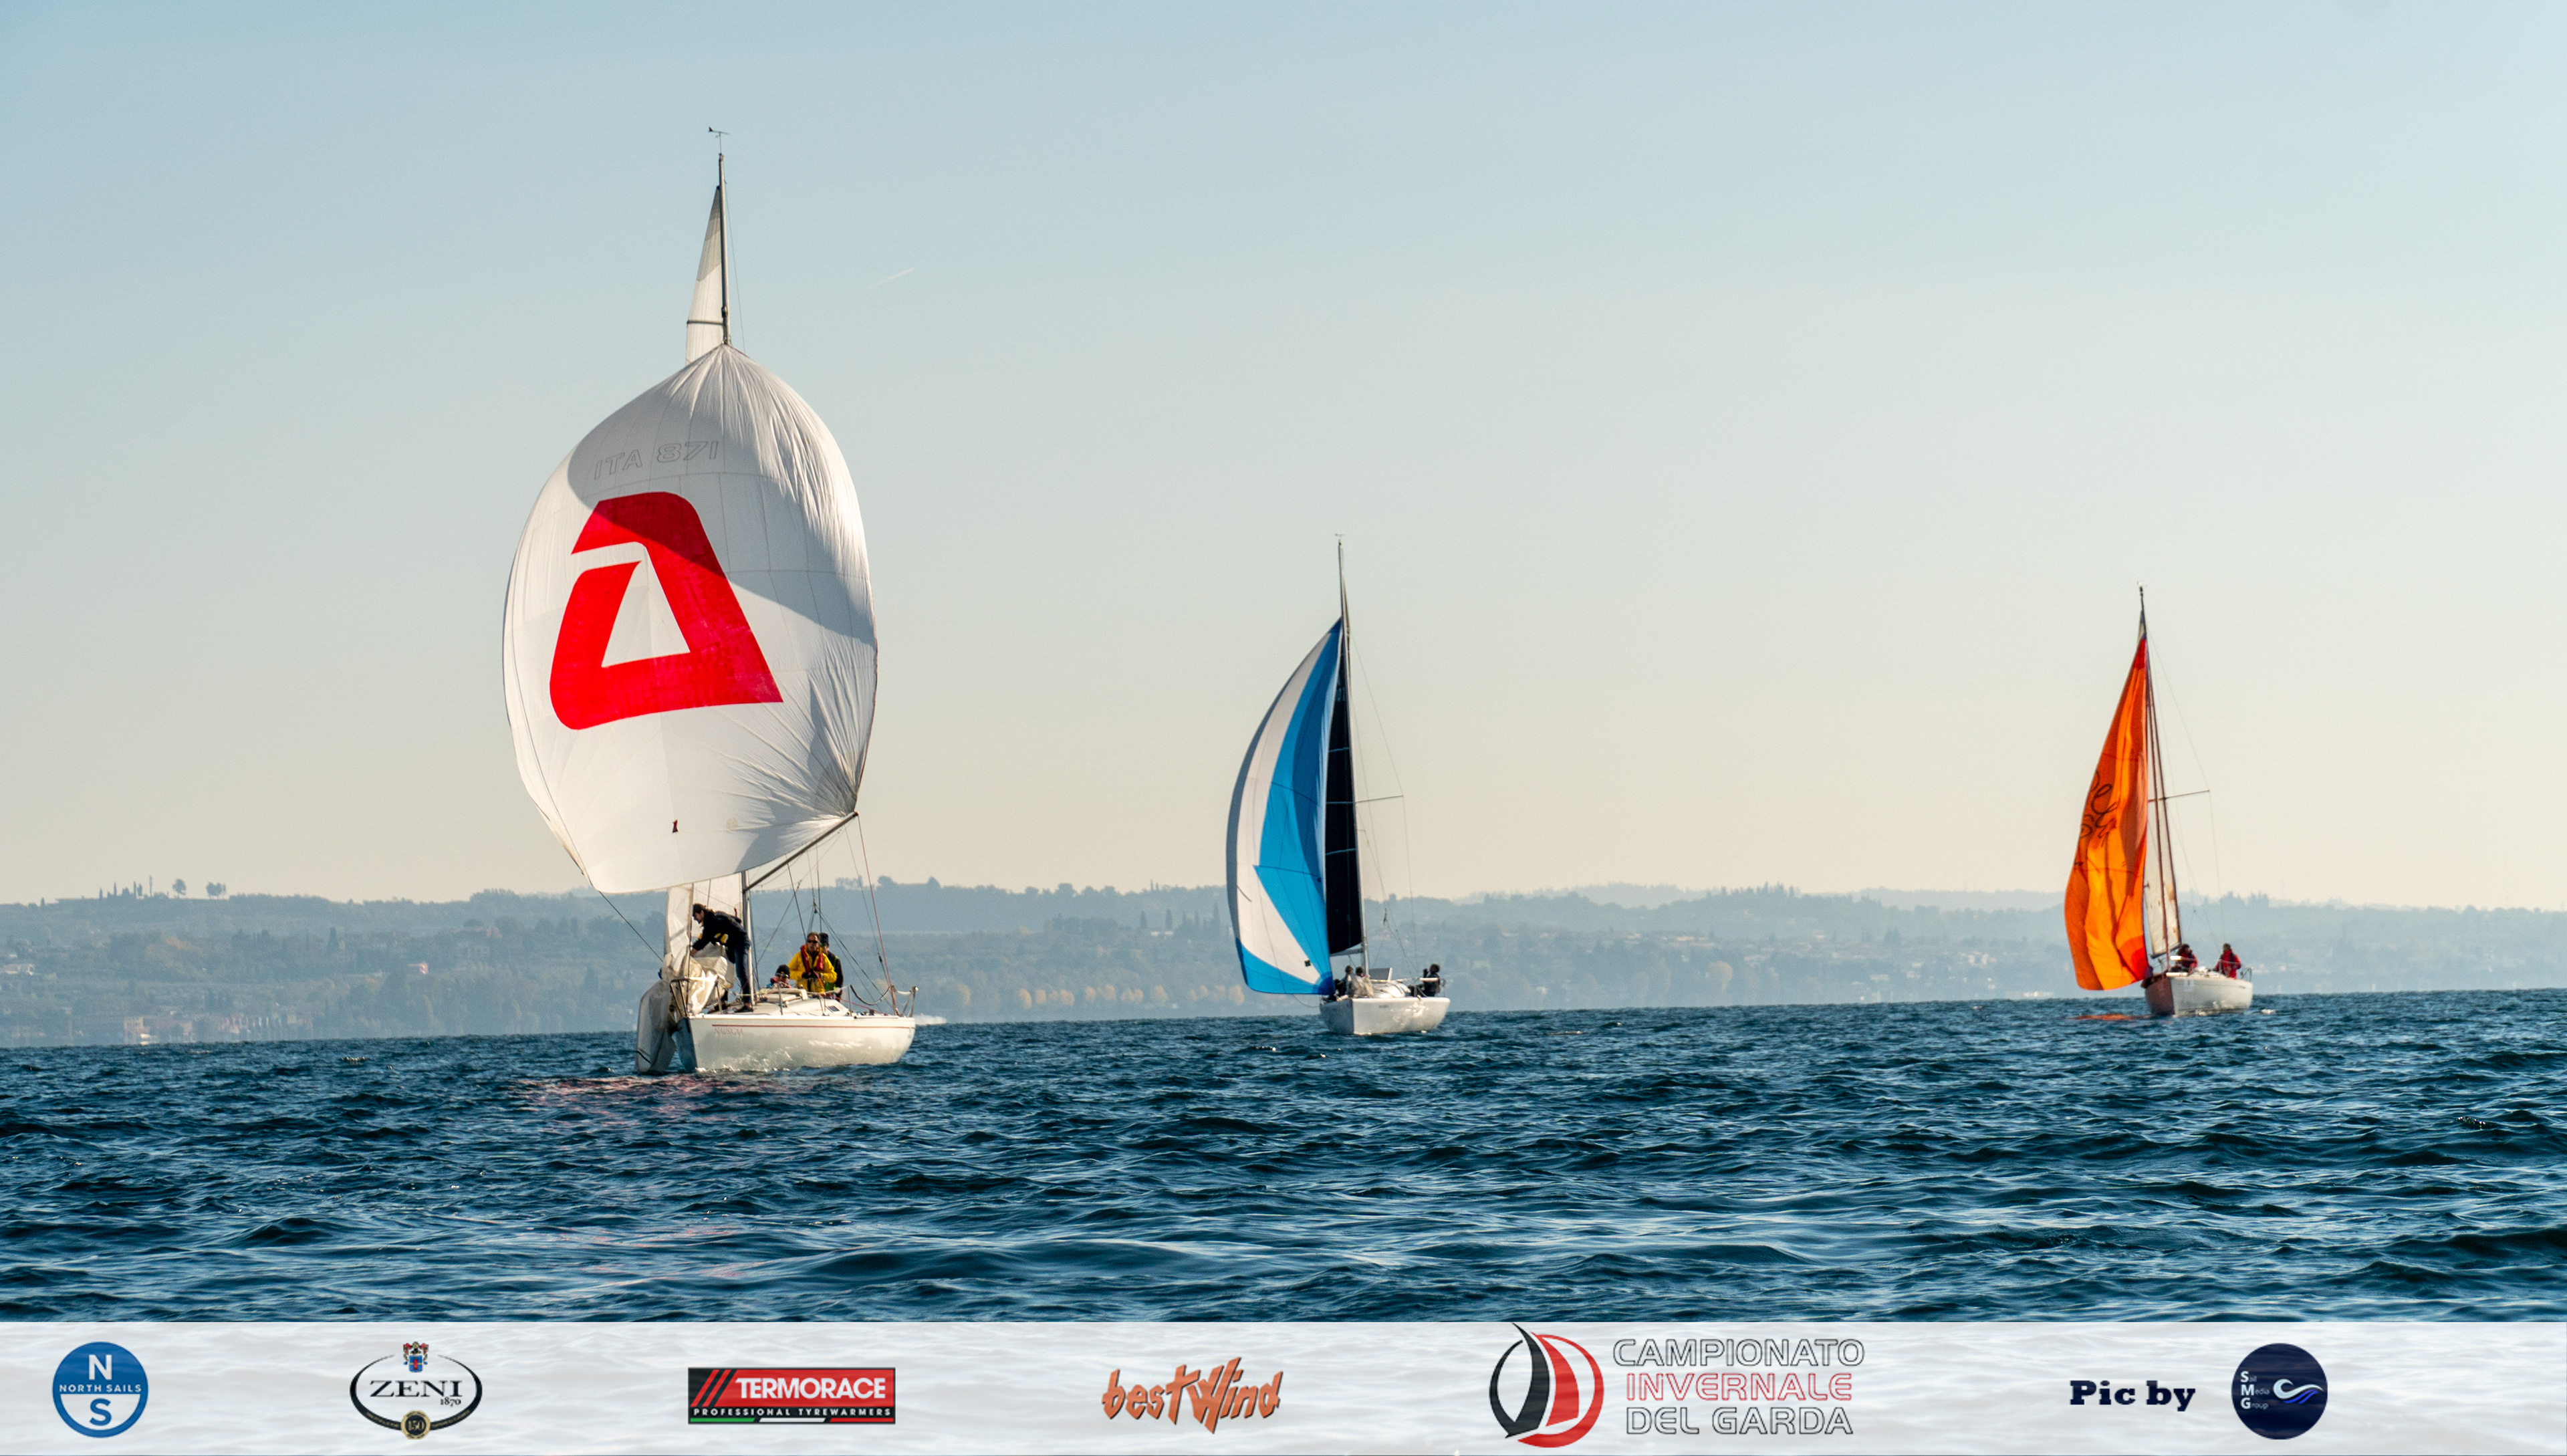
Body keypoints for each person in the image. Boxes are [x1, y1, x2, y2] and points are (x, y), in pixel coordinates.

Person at [690, 902, 751, 1004]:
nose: (695, 919)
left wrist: (690, 957)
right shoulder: (717, 915)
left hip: (740, 942)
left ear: (701, 912)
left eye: (695, 916)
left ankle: (747, 1003)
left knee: (741, 972)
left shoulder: (712, 922)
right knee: (724, 971)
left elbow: (702, 942)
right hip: (731, 945)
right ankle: (722, 1002)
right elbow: (738, 920)